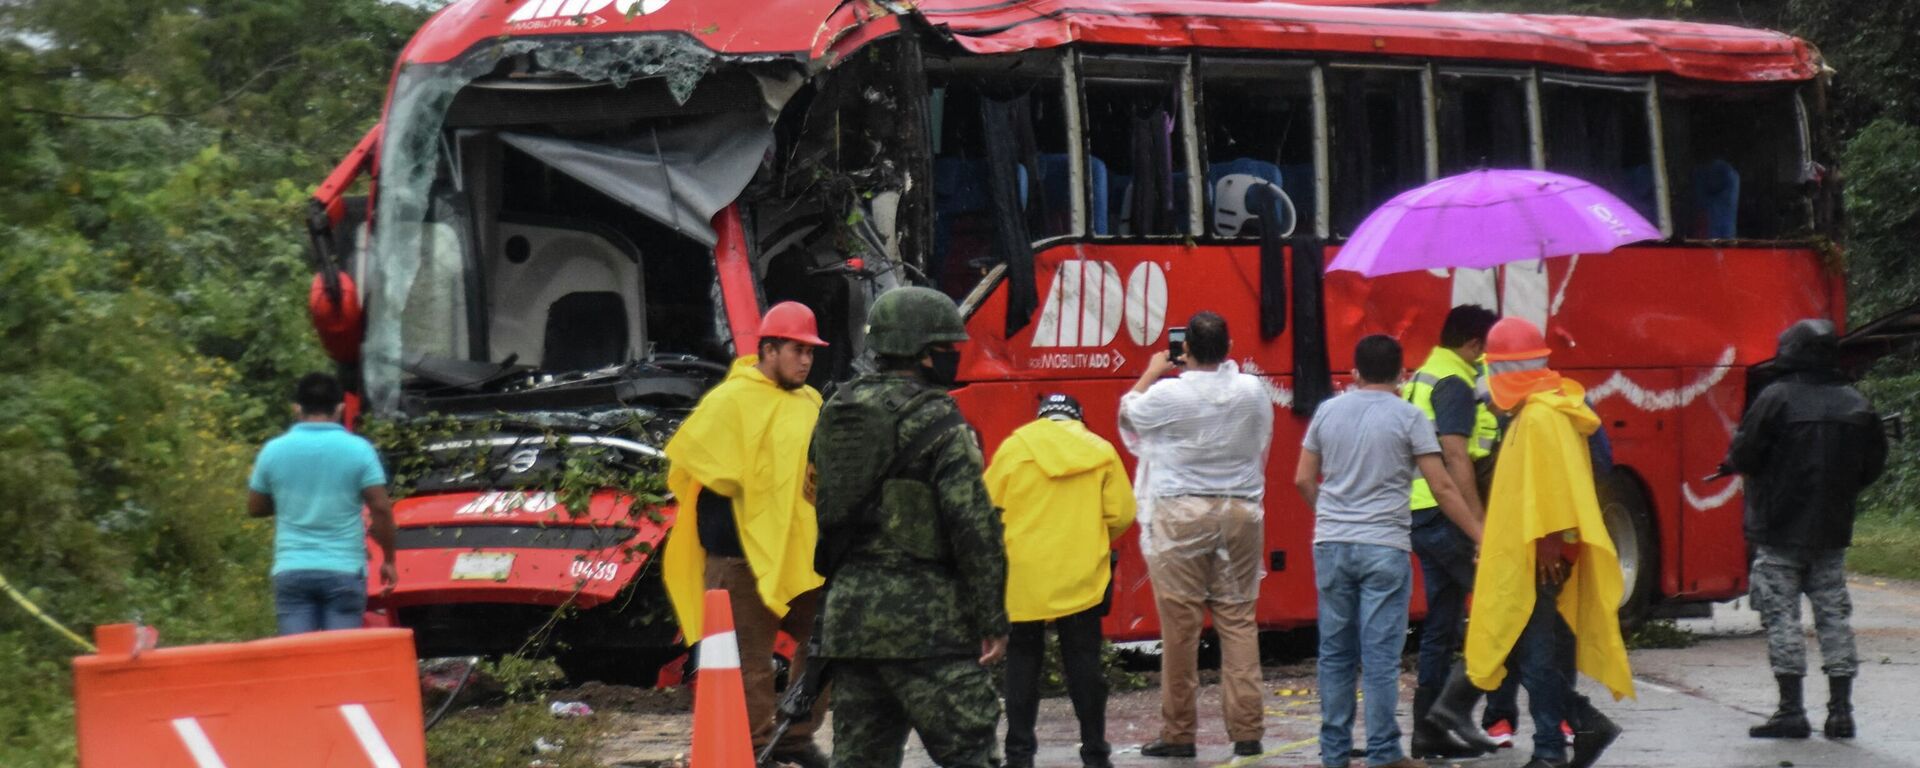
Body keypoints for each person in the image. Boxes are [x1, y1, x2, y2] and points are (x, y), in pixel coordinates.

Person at [810, 286, 1008, 768]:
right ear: (923, 354)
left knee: (860, 760)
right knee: (971, 754)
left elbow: (818, 496)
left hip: (850, 623)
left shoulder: (837, 411)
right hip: (928, 626)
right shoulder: (940, 420)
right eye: (947, 349)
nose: (953, 358)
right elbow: (973, 527)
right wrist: (993, 621)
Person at [1431, 317, 1633, 768]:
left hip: (1541, 552)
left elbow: (1555, 488)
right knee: (1526, 647)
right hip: (1535, 549)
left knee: (1534, 650)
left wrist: (1549, 543)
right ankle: (1577, 725)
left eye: (1494, 369)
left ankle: (1551, 745)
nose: (1490, 380)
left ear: (1508, 369)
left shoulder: (1542, 416)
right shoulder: (1543, 408)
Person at [1294, 334, 1484, 768]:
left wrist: (1332, 516)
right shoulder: (1410, 416)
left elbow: (1303, 478)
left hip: (1332, 545)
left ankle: (1335, 753)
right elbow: (1442, 485)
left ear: (1354, 371)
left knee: (1336, 653)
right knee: (1379, 656)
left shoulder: (1327, 411)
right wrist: (1479, 533)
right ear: (1401, 375)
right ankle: (1382, 753)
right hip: (1385, 547)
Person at [660, 302, 831, 768]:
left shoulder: (812, 402)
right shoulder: (728, 402)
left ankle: (794, 737)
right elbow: (701, 468)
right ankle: (759, 750)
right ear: (769, 348)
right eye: (797, 350)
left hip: (800, 555)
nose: (805, 360)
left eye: (811, 352)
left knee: (829, 642)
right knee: (748, 666)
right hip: (739, 557)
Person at [1118, 310, 1274, 759]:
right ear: (1228, 347)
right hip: (1241, 513)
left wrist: (1150, 372)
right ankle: (1247, 730)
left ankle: (1179, 732)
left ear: (1184, 350)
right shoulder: (1252, 391)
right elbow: (1261, 436)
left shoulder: (1168, 394)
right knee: (1239, 621)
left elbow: (1130, 419)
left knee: (1180, 629)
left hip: (1179, 513)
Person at [1723, 319, 1887, 740]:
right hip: (1832, 530)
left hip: (1778, 530)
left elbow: (1744, 452)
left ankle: (1791, 710)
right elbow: (1870, 466)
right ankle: (1841, 710)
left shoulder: (1775, 398)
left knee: (1782, 619)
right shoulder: (1856, 403)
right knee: (1834, 617)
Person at [986, 393, 1137, 768]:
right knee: (1084, 663)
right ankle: (1095, 751)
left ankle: (1019, 754)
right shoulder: (1100, 450)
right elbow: (1122, 514)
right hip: (1081, 575)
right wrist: (1089, 536)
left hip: (1024, 577)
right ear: (1078, 418)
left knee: (1022, 662)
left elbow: (987, 508)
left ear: (1042, 417)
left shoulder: (1014, 447)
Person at [1400, 306, 1502, 759]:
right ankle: (1456, 709)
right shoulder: (1454, 383)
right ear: (1474, 345)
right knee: (1504, 610)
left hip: (1419, 514)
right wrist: (1479, 527)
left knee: (1441, 624)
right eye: (1489, 349)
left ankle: (1428, 731)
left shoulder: (1425, 373)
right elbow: (1456, 458)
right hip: (1447, 515)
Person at [247, 372, 395, 635]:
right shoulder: (360, 450)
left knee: (300, 659)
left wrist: (289, 500)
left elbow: (255, 507)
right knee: (340, 657)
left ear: (296, 409)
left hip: (292, 569)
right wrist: (389, 560)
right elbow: (381, 508)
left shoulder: (273, 450)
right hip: (344, 571)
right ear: (340, 409)